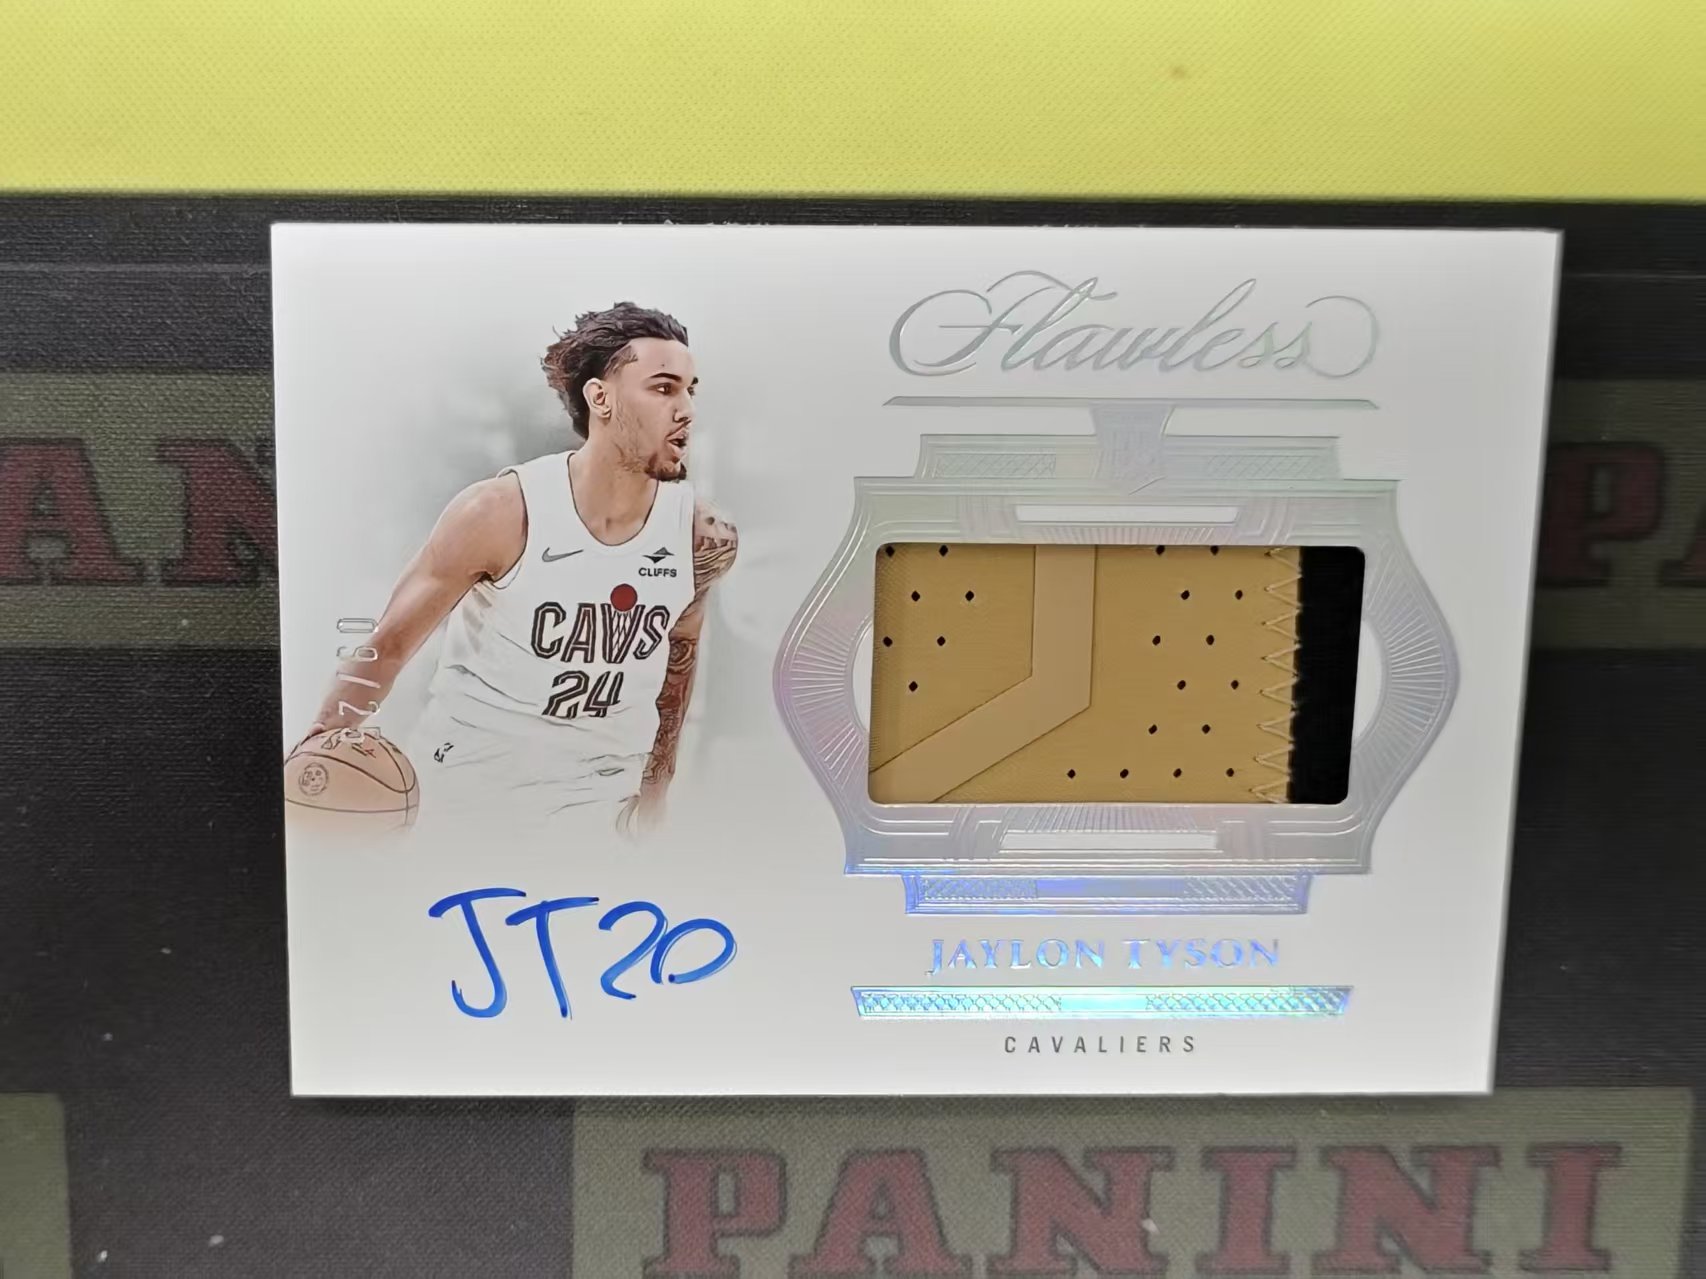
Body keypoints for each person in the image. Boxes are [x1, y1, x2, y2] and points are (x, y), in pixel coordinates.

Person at [294, 302, 736, 837]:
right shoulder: (498, 511)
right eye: (664, 389)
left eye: (691, 390)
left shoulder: (700, 535)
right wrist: (317, 752)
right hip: (470, 798)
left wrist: (658, 791)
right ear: (600, 397)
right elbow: (386, 647)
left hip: (601, 807)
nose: (686, 409)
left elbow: (677, 664)